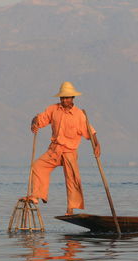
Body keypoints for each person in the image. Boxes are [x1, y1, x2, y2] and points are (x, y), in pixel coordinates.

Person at [25, 81, 100, 215]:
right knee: (37, 166)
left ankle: (71, 208)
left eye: (67, 97)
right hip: (54, 149)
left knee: (72, 179)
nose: (64, 100)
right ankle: (37, 195)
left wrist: (96, 145)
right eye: (62, 97)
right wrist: (34, 123)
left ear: (72, 98)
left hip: (70, 151)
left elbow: (90, 131)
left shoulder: (79, 115)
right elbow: (38, 119)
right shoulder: (53, 109)